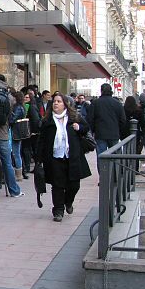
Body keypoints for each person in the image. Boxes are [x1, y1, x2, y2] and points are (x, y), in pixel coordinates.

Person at [36, 92, 92, 222]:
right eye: (54, 101)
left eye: (59, 101)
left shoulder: (74, 117)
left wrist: (79, 127)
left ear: (65, 105)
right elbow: (42, 140)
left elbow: (86, 128)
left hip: (72, 156)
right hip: (55, 157)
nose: (56, 103)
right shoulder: (47, 120)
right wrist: (39, 157)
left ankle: (68, 201)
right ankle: (58, 211)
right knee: (57, 185)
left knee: (74, 185)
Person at [86, 83, 127, 155]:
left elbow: (90, 119)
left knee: (101, 156)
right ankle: (114, 167)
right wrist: (118, 130)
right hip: (114, 133)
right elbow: (123, 120)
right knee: (115, 157)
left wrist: (92, 131)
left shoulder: (95, 103)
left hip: (100, 133)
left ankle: (103, 167)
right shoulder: (117, 103)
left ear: (101, 91)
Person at [10, 91, 27, 182]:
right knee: (17, 152)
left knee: (15, 153)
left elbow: (12, 119)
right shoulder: (22, 107)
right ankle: (19, 174)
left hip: (15, 131)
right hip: (19, 131)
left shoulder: (17, 108)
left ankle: (18, 175)